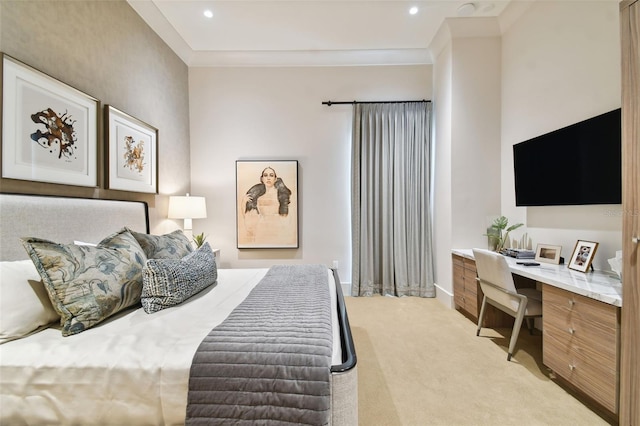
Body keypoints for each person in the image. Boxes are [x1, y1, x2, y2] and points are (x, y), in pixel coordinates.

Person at [240, 167, 294, 245]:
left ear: (275, 179)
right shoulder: (258, 196)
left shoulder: (281, 195)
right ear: (262, 179)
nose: (268, 178)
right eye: (265, 175)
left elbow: (287, 217)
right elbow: (247, 218)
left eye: (271, 175)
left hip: (278, 229)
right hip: (260, 230)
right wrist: (243, 202)